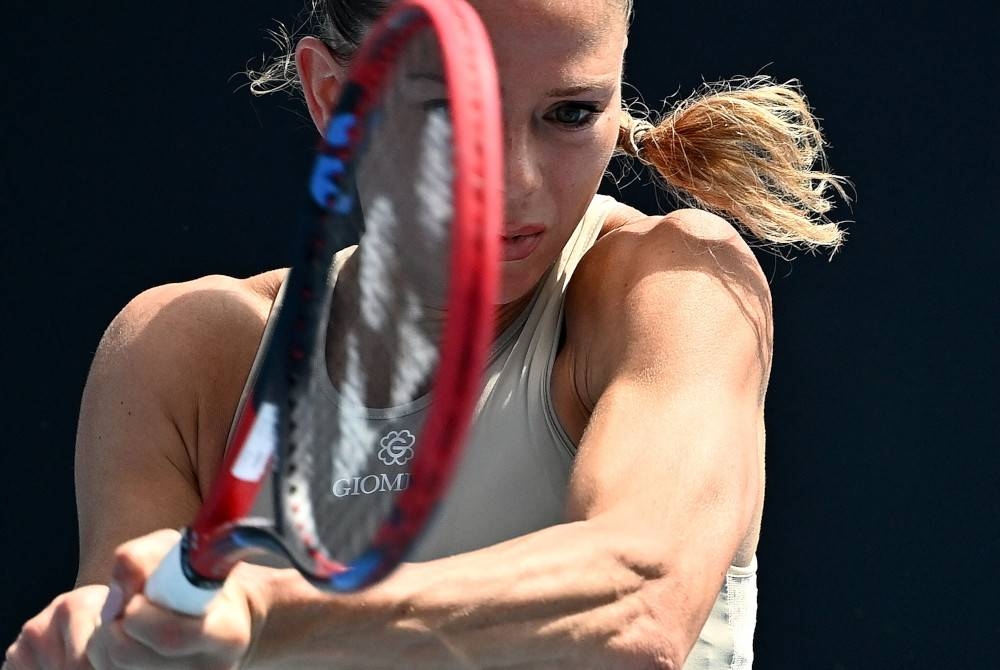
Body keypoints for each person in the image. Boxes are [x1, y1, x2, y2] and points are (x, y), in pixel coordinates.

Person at [4, 0, 849, 668]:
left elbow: (638, 605)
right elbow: (127, 646)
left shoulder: (676, 285)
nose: (513, 185)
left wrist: (262, 611)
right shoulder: (186, 353)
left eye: (569, 112)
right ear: (335, 97)